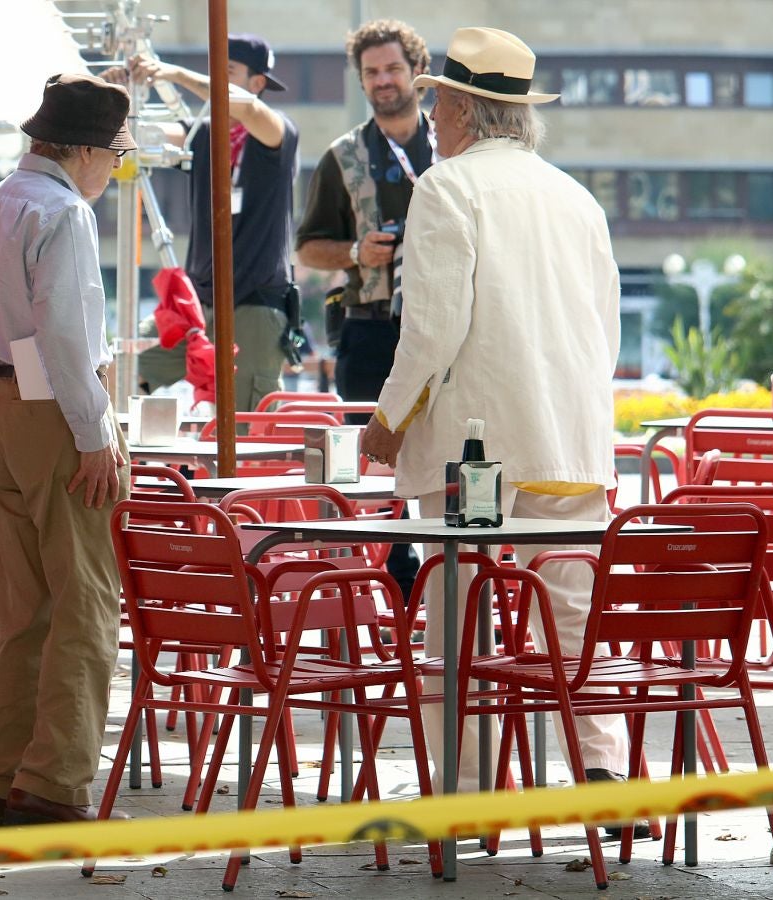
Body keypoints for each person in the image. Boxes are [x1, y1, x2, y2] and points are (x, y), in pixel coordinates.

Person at [357, 27, 640, 838]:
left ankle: (469, 791)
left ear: (460, 110)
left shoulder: (448, 188)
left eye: (438, 100)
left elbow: (434, 329)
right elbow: (605, 333)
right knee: (576, 625)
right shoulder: (575, 197)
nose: (430, 112)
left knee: (461, 615)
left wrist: (386, 421)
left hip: (478, 452)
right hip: (570, 441)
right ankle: (603, 772)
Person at [0, 73, 133, 828]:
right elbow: (65, 336)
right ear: (86, 151)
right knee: (85, 601)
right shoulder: (64, 212)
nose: (116, 170)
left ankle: (5, 779)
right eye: (116, 155)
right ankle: (53, 785)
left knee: (26, 608)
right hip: (55, 409)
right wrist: (96, 434)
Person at [295, 18, 430, 601]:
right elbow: (306, 246)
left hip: (442, 328)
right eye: (371, 71)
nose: (382, 80)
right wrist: (356, 251)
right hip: (370, 330)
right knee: (376, 465)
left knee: (455, 454)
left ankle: (455, 579)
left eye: (392, 68)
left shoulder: (450, 144)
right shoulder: (342, 154)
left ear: (416, 71)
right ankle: (392, 585)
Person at [124, 34, 301, 411]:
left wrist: (173, 74)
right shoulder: (201, 133)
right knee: (125, 372)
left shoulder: (277, 131)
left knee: (243, 426)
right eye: (215, 72)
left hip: (254, 303)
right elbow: (139, 137)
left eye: (229, 72)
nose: (215, 81)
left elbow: (249, 111)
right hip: (198, 301)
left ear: (257, 83)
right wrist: (115, 92)